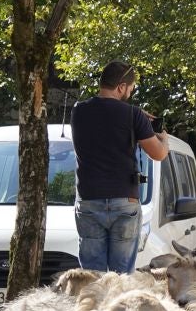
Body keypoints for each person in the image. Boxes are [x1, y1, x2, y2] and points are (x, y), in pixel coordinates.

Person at [70, 60, 170, 273]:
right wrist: (163, 138)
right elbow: (158, 154)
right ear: (121, 87)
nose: (130, 94)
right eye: (130, 89)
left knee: (91, 277)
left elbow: (104, 123)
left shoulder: (78, 111)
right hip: (125, 201)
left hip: (88, 201)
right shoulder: (133, 114)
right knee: (122, 277)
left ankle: (92, 306)